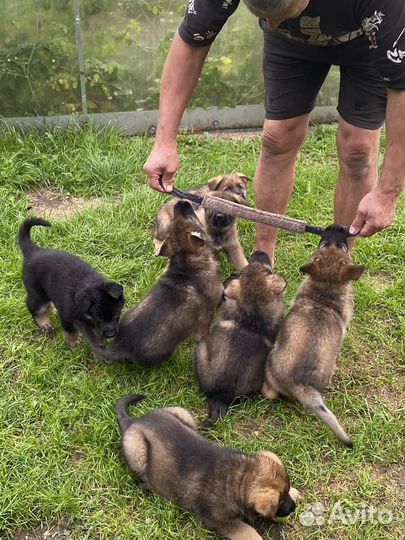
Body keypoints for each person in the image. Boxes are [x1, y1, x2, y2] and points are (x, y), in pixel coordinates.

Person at [144, 0, 405, 263]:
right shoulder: (276, 24)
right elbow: (191, 42)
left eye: (280, 15)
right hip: (290, 44)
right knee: (277, 137)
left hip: (368, 41)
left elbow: (402, 86)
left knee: (358, 148)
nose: (272, 23)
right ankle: (262, 258)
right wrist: (164, 141)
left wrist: (388, 192)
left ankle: (337, 262)